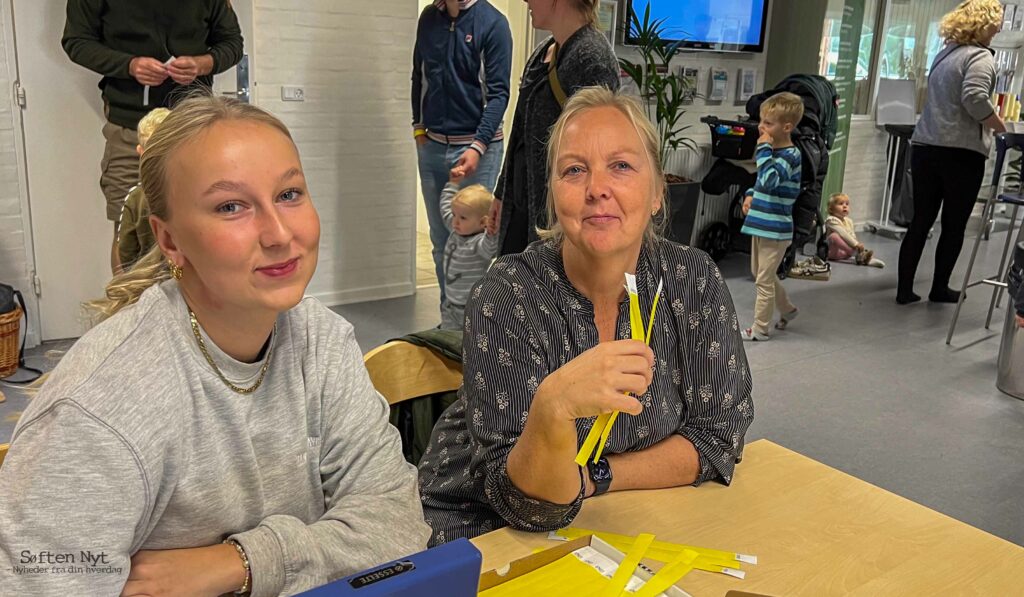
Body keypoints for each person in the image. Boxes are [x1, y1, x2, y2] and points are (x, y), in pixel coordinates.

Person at [0, 96, 429, 596]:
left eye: (289, 194)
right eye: (231, 206)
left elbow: (397, 525)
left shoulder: (322, 340)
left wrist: (241, 562)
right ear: (170, 240)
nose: (279, 232)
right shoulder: (101, 408)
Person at [418, 87, 753, 546]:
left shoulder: (692, 280)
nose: (597, 189)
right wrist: (553, 407)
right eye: (574, 170)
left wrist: (598, 476)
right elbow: (523, 503)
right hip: (488, 526)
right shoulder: (509, 293)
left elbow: (719, 437)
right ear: (554, 197)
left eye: (621, 166)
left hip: (621, 517)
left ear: (658, 191)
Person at [62, 0, 244, 272]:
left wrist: (202, 64)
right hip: (129, 127)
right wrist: (129, 65)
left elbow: (232, 44)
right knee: (129, 228)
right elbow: (76, 41)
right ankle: (131, 310)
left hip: (192, 124)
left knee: (203, 223)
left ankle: (196, 310)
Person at [898, 0, 1006, 305]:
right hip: (960, 153)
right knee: (954, 223)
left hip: (926, 146)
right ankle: (939, 288)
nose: (998, 29)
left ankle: (904, 290)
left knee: (921, 220)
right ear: (985, 25)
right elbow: (974, 97)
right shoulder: (981, 58)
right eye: (996, 23)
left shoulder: (944, 54)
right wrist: (998, 126)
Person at [491, 0, 620, 256]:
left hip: (556, 224)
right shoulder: (545, 51)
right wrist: (501, 192)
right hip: (523, 208)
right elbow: (520, 132)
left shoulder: (592, 59)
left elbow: (597, 155)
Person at [412, 0, 511, 304]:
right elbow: (419, 75)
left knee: (477, 245)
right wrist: (418, 127)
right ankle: (450, 317)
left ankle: (478, 323)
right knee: (442, 240)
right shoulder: (429, 18)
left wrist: (478, 146)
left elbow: (498, 94)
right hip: (432, 147)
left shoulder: (492, 23)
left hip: (477, 152)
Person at [740, 93, 804, 341]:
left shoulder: (790, 156)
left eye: (768, 123)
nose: (761, 127)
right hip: (760, 223)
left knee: (763, 281)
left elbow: (769, 180)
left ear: (786, 127)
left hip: (775, 228)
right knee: (761, 273)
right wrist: (749, 195)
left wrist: (764, 147)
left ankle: (760, 329)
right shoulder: (772, 154)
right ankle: (788, 309)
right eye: (762, 122)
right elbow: (760, 183)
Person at [116, 107, 171, 272]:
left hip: (146, 281)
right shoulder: (192, 194)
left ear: (140, 152)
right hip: (184, 278)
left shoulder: (135, 199)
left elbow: (126, 252)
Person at [439, 177, 498, 329]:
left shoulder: (478, 244)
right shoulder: (455, 231)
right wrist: (452, 184)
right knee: (447, 341)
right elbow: (445, 207)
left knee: (469, 344)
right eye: (454, 215)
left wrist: (492, 230)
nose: (455, 222)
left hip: (470, 307)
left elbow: (490, 246)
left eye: (463, 218)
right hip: (450, 305)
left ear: (482, 222)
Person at [825, 193, 884, 268]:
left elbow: (852, 235)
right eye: (840, 204)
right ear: (831, 209)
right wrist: (856, 244)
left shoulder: (849, 221)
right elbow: (843, 233)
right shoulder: (831, 220)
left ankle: (864, 258)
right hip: (833, 252)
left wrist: (858, 246)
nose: (845, 206)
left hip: (845, 252)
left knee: (854, 243)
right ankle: (859, 255)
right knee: (833, 236)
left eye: (847, 204)